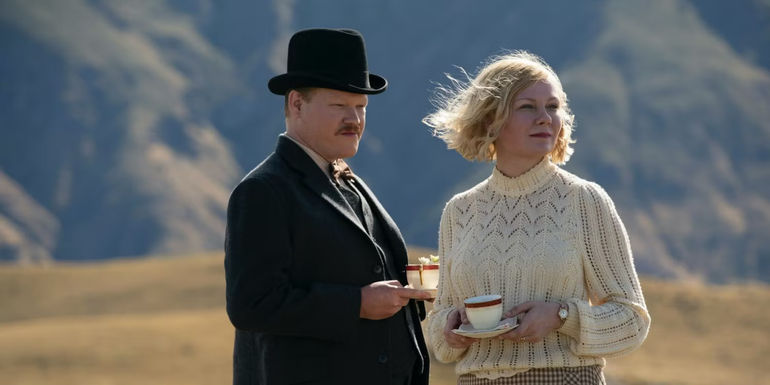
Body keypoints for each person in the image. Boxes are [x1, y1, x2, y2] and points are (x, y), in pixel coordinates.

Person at [422, 51, 650, 384]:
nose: (545, 118)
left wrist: (562, 316)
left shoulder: (584, 200)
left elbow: (631, 321)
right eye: (528, 107)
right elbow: (440, 336)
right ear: (491, 120)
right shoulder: (460, 211)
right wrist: (450, 328)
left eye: (553, 107)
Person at [224, 28, 432, 385]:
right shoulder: (263, 190)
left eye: (361, 107)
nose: (355, 119)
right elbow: (251, 305)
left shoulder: (348, 180)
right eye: (339, 105)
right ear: (296, 104)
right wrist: (357, 303)